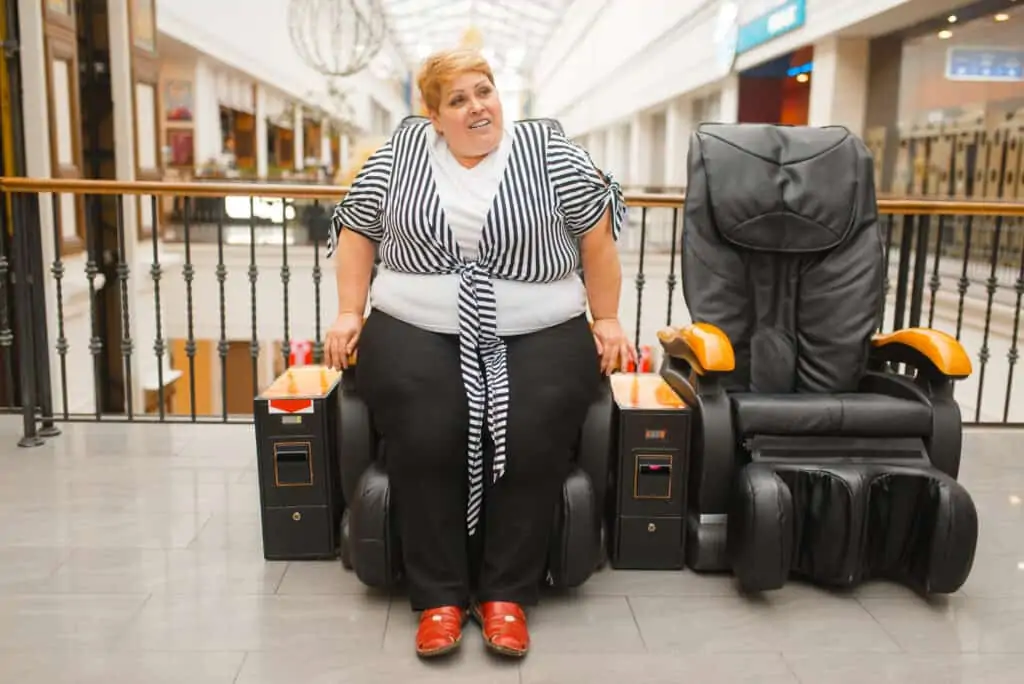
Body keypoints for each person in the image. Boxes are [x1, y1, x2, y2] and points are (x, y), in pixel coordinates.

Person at [323, 47, 634, 659]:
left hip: (540, 322)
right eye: (459, 99)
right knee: (430, 429)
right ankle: (438, 596)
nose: (477, 107)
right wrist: (347, 312)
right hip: (416, 321)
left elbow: (596, 242)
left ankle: (505, 595)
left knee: (527, 432)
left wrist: (609, 318)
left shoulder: (549, 151)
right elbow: (357, 228)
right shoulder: (401, 153)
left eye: (484, 91)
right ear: (435, 117)